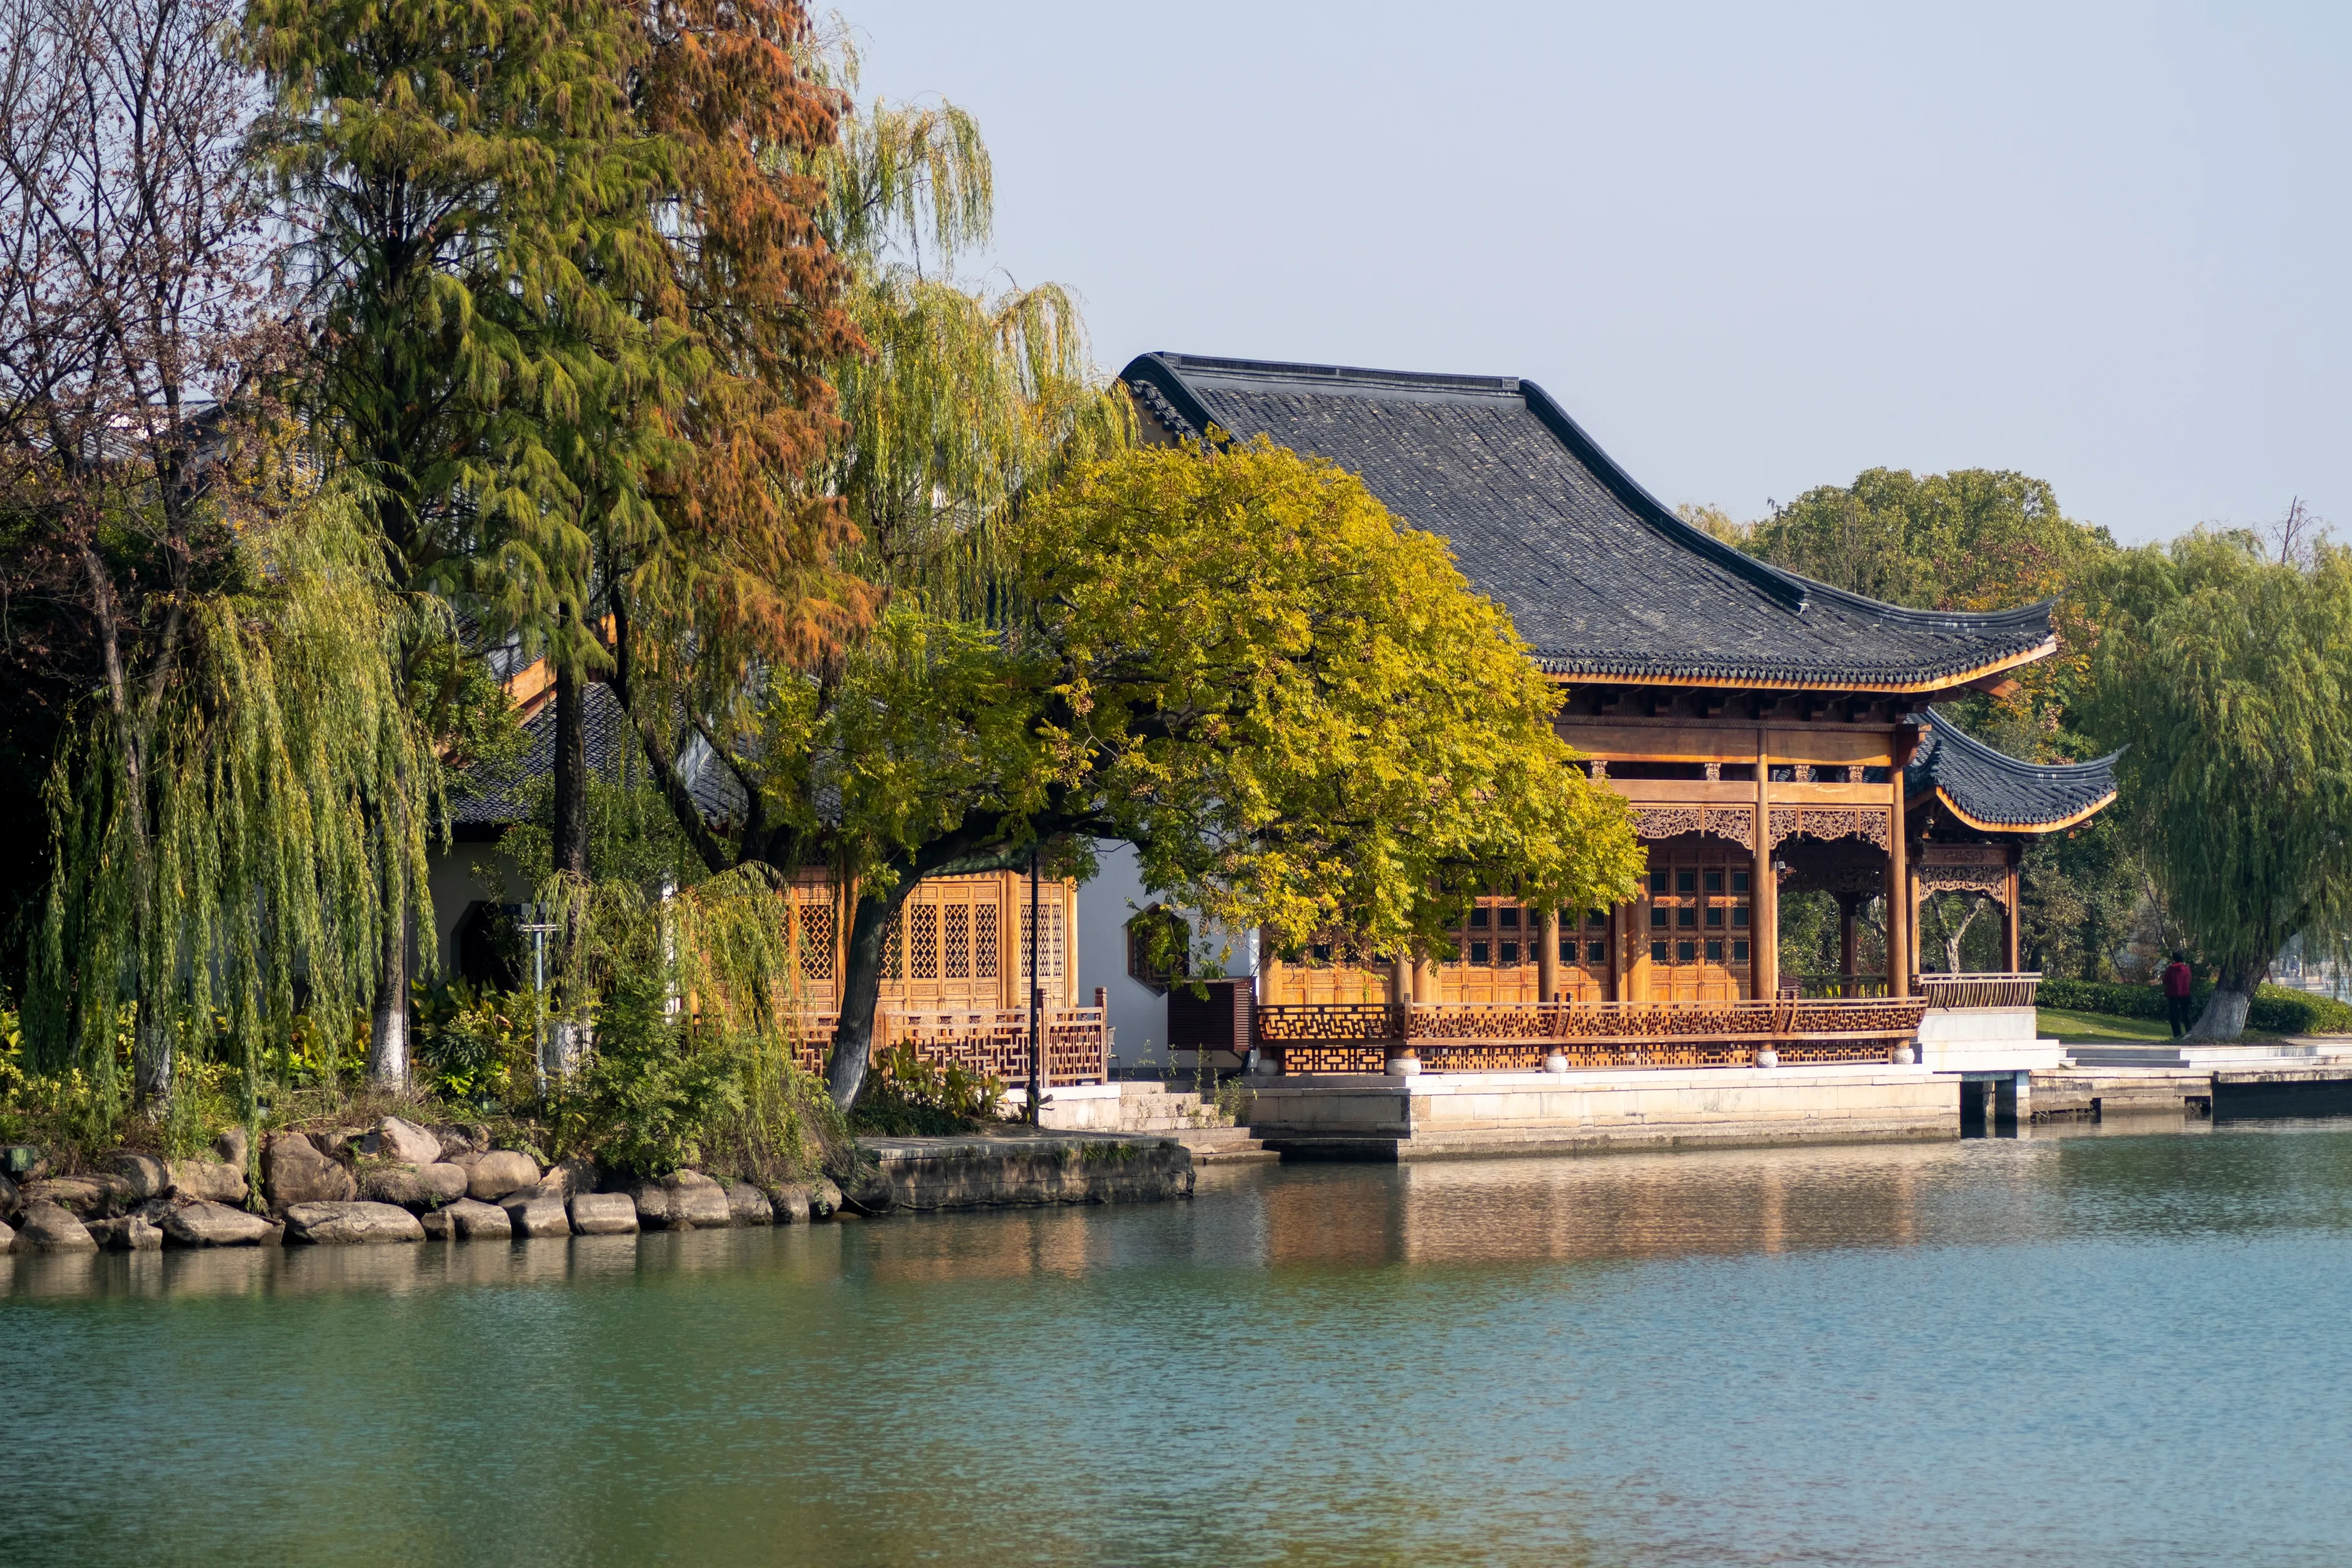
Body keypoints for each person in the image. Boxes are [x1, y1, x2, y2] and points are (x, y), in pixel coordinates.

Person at [2162, 951, 2195, 1039]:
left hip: (2173, 994)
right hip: (2185, 993)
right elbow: (2189, 980)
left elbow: (2165, 981)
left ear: (2174, 959)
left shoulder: (2171, 969)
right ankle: (2189, 1032)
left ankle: (2177, 1034)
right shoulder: (2187, 968)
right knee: (2186, 1014)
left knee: (2174, 1015)